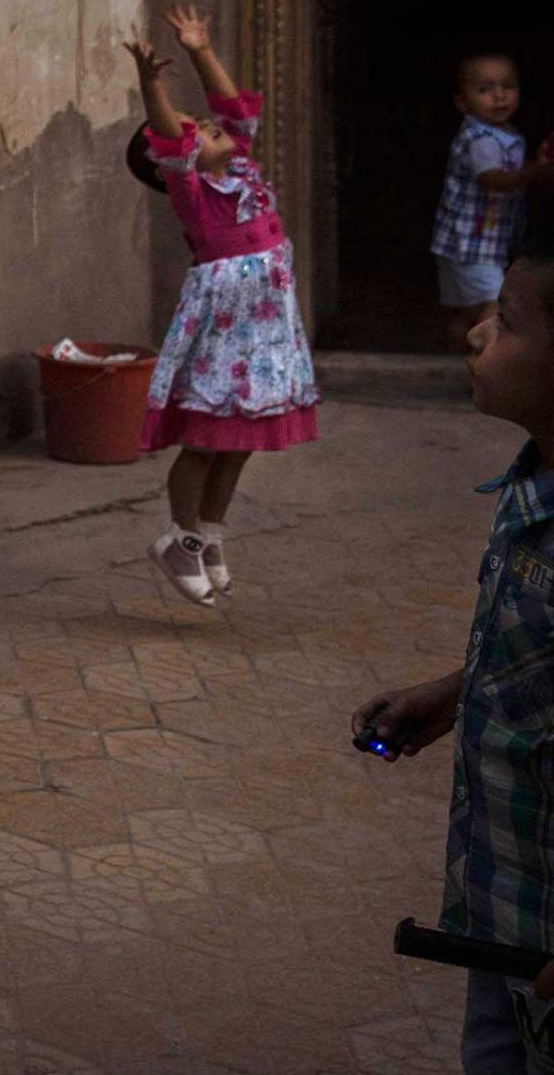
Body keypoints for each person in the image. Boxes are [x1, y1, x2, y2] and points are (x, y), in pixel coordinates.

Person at [350, 218, 554, 1074]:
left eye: (505, 321)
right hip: (500, 914)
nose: (478, 331)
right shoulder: (529, 478)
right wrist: (459, 689)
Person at [124, 4, 319, 606]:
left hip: (265, 333)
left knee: (243, 439)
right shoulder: (192, 189)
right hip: (224, 332)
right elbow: (168, 138)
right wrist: (151, 82)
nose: (209, 127)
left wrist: (200, 50)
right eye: (196, 131)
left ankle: (209, 533)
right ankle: (178, 538)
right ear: (170, 167)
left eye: (205, 127)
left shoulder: (239, 167)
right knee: (207, 438)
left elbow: (234, 108)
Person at [435, 53, 553, 351]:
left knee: (471, 312)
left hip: (486, 242)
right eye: (485, 89)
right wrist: (536, 171)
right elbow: (494, 180)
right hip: (472, 243)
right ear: (463, 102)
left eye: (508, 86)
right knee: (494, 305)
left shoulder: (505, 134)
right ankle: (485, 368)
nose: (499, 96)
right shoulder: (480, 139)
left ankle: (456, 355)